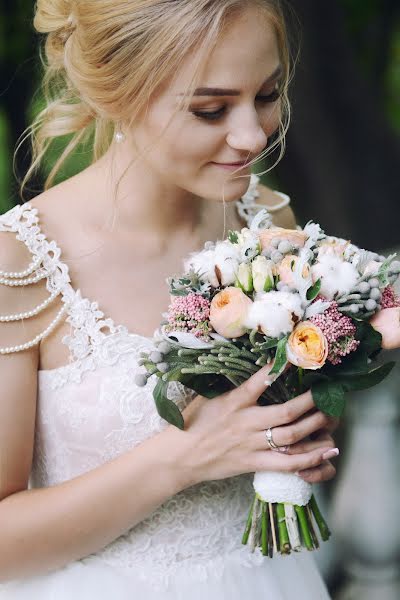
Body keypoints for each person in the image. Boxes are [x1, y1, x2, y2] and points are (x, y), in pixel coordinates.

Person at [0, 1, 339, 598]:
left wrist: (304, 424)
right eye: (210, 109)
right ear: (117, 94)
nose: (252, 135)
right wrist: (185, 457)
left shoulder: (269, 224)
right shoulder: (21, 263)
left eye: (267, 94)